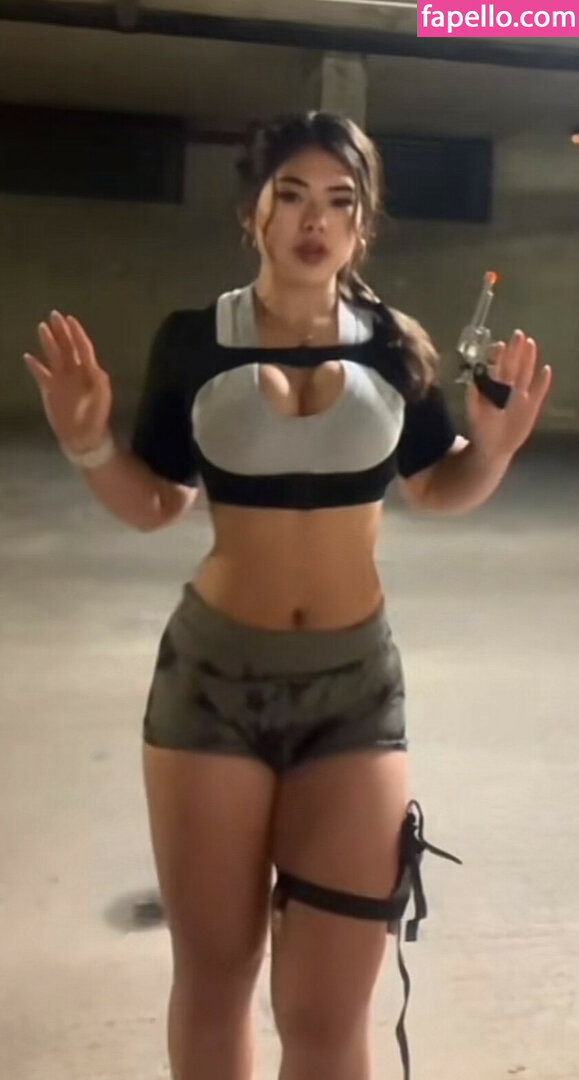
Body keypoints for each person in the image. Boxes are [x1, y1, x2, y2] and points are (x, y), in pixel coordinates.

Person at [25, 111, 551, 1080]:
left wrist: (495, 451)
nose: (316, 221)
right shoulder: (195, 343)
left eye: (340, 203)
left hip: (353, 691)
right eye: (293, 196)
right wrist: (87, 440)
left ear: (362, 225)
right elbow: (155, 504)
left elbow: (436, 489)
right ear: (253, 211)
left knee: (326, 1009)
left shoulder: (393, 347)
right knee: (216, 975)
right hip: (213, 686)